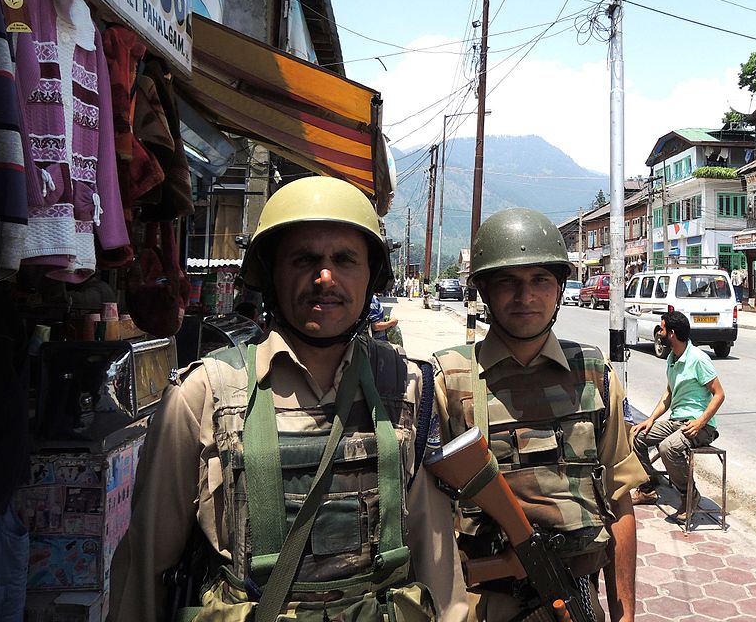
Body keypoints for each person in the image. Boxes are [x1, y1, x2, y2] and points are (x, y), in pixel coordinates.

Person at [108, 177, 466, 622]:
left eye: (345, 259)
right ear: (271, 274)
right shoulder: (203, 394)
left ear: (370, 276)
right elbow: (145, 567)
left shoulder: (410, 388)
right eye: (304, 259)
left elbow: (437, 562)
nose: (325, 277)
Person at [431, 208, 645, 622]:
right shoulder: (449, 381)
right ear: (485, 291)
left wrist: (625, 615)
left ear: (560, 287)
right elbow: (425, 519)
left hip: (577, 597)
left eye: (540, 280)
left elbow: (620, 501)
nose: (525, 297)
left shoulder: (594, 374)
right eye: (508, 282)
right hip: (480, 606)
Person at [630, 311, 725, 519]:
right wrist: (650, 420)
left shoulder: (698, 359)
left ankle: (689, 495)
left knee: (668, 447)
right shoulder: (672, 358)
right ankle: (647, 488)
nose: (659, 333)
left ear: (672, 334)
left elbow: (719, 394)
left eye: (662, 329)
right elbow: (669, 394)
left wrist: (700, 422)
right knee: (635, 435)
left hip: (701, 427)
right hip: (676, 422)